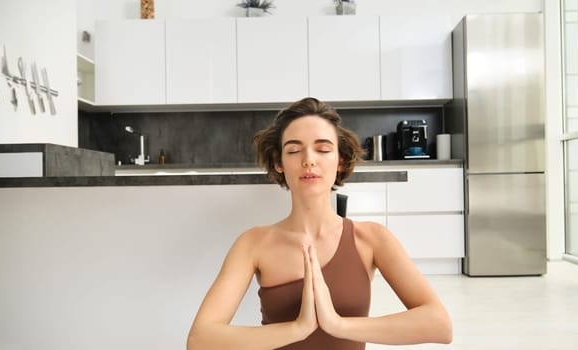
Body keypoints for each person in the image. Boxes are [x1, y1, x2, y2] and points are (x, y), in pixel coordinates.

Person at [187, 97, 452, 349]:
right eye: (294, 150)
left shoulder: (372, 239)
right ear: (279, 163)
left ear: (341, 161)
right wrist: (298, 328)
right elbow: (201, 340)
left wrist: (337, 324)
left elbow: (439, 325)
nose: (309, 160)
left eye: (323, 149)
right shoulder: (253, 244)